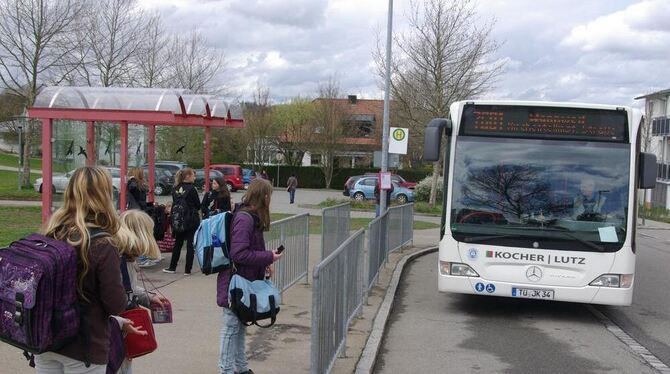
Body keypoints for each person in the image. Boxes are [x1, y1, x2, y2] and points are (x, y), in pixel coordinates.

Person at [36, 166, 127, 373]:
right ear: (105, 195)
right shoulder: (103, 244)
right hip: (85, 347)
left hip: (45, 339)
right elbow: (115, 304)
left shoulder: (51, 233)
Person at [216, 179, 283, 374]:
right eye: (269, 195)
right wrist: (268, 256)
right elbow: (239, 253)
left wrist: (266, 261)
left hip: (244, 280)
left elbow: (249, 250)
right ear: (263, 196)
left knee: (240, 325)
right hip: (235, 281)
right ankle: (226, 369)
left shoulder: (249, 216)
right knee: (231, 327)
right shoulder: (245, 219)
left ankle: (240, 367)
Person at [113, 210, 169, 374]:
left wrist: (149, 297)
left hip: (120, 328)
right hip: (114, 329)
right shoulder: (115, 259)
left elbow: (128, 286)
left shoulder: (126, 258)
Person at [163, 168, 200, 275]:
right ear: (187, 176)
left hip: (178, 219)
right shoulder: (192, 189)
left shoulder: (175, 188)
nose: (195, 177)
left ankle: (172, 267)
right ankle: (187, 270)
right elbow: (197, 205)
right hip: (191, 219)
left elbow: (175, 203)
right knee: (190, 244)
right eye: (193, 175)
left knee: (178, 244)